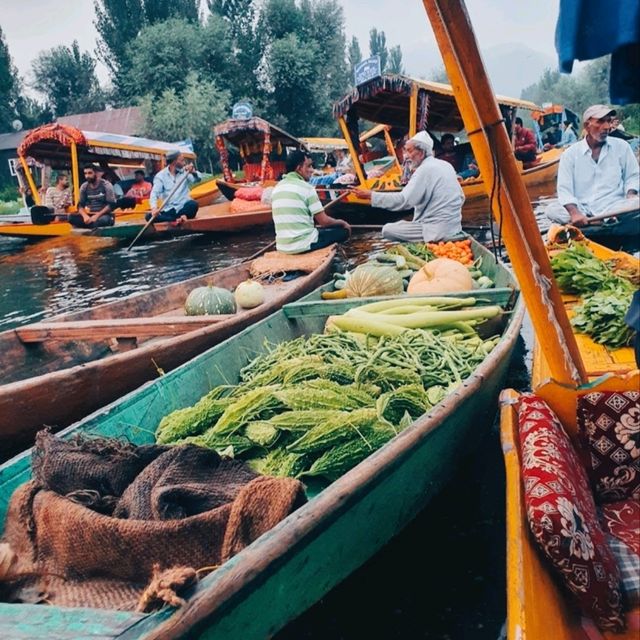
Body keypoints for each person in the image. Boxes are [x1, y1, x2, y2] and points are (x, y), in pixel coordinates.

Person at [352, 131, 464, 242]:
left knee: (387, 229)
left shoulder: (423, 170)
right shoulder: (446, 165)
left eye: (409, 151)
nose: (406, 156)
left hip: (436, 231)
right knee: (403, 224)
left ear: (421, 153)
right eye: (405, 151)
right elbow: (461, 197)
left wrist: (371, 195)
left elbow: (403, 201)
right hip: (454, 227)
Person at [545, 105, 639, 226]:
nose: (607, 127)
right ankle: (599, 221)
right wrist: (574, 212)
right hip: (583, 210)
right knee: (552, 210)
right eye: (600, 121)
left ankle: (598, 221)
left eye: (609, 121)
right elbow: (564, 190)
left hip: (615, 207)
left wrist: (631, 194)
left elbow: (633, 176)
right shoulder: (569, 154)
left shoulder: (622, 146)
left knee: (636, 203)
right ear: (586, 126)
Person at [271, 149, 351, 254]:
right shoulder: (307, 188)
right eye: (308, 166)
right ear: (299, 168)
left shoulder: (276, 188)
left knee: (319, 232)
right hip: (304, 245)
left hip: (282, 246)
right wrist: (342, 223)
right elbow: (324, 222)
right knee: (343, 232)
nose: (312, 170)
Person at [148, 150, 201, 223]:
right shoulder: (160, 176)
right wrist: (154, 208)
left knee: (193, 204)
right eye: (182, 160)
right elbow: (154, 194)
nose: (184, 163)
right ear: (174, 162)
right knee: (148, 216)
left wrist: (194, 172)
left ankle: (180, 216)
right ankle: (177, 219)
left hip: (184, 207)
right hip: (170, 210)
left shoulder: (185, 171)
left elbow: (197, 179)